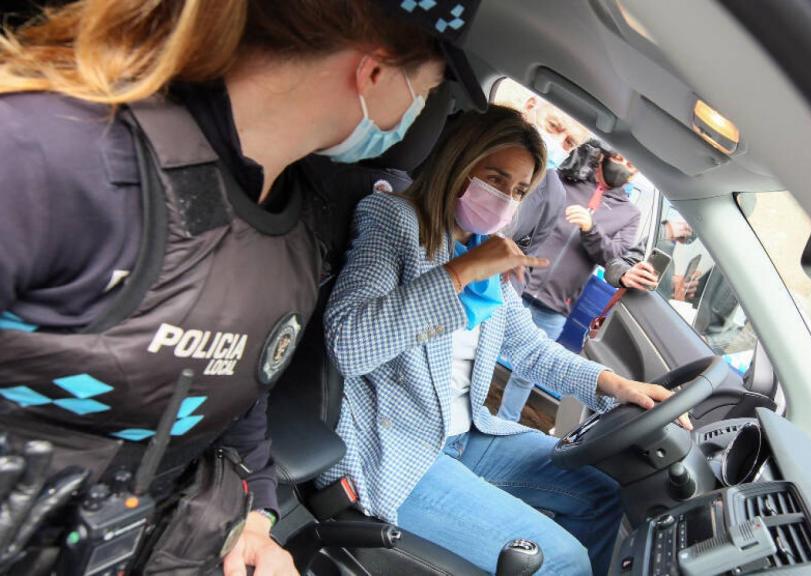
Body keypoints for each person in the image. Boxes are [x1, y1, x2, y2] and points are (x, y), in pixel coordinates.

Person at [0, 0, 482, 572]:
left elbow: (238, 387)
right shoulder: (53, 154)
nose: (421, 114)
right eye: (425, 91)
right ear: (373, 72)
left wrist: (254, 516)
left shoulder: (295, 227)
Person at [322, 106, 686, 576]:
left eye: (516, 191)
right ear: (458, 162)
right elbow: (349, 344)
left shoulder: (481, 247)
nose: (504, 199)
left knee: (606, 492)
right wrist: (460, 272)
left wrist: (617, 386)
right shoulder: (394, 219)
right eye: (494, 178)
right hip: (398, 449)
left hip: (470, 435)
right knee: (562, 560)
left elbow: (531, 350)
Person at [499, 140, 642, 422]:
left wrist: (591, 229)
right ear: (604, 156)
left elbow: (615, 258)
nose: (623, 168)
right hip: (516, 283)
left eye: (631, 166)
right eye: (620, 159)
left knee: (527, 373)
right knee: (478, 344)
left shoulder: (630, 214)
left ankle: (503, 424)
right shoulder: (565, 180)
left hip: (557, 304)